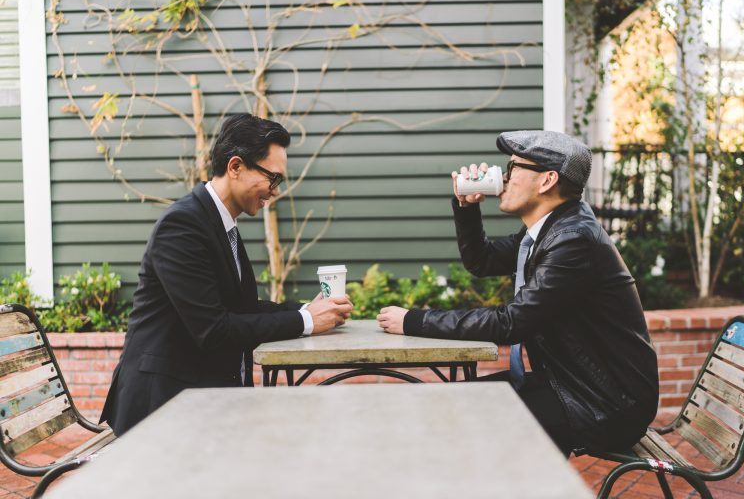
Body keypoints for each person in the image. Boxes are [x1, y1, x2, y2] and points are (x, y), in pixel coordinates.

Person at [377, 130, 659, 455]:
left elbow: (512, 323)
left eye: (512, 168)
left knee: (457, 415)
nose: (503, 177)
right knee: (448, 402)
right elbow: (482, 261)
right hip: (569, 386)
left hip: (603, 404)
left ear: (547, 180)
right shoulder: (548, 230)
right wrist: (466, 207)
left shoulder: (573, 240)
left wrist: (412, 320)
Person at [101, 114, 353, 435]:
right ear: (235, 167)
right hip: (162, 407)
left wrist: (309, 310)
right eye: (272, 179)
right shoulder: (182, 226)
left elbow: (242, 310)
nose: (275, 192)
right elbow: (214, 330)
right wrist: (306, 322)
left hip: (202, 399)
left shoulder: (221, 223)